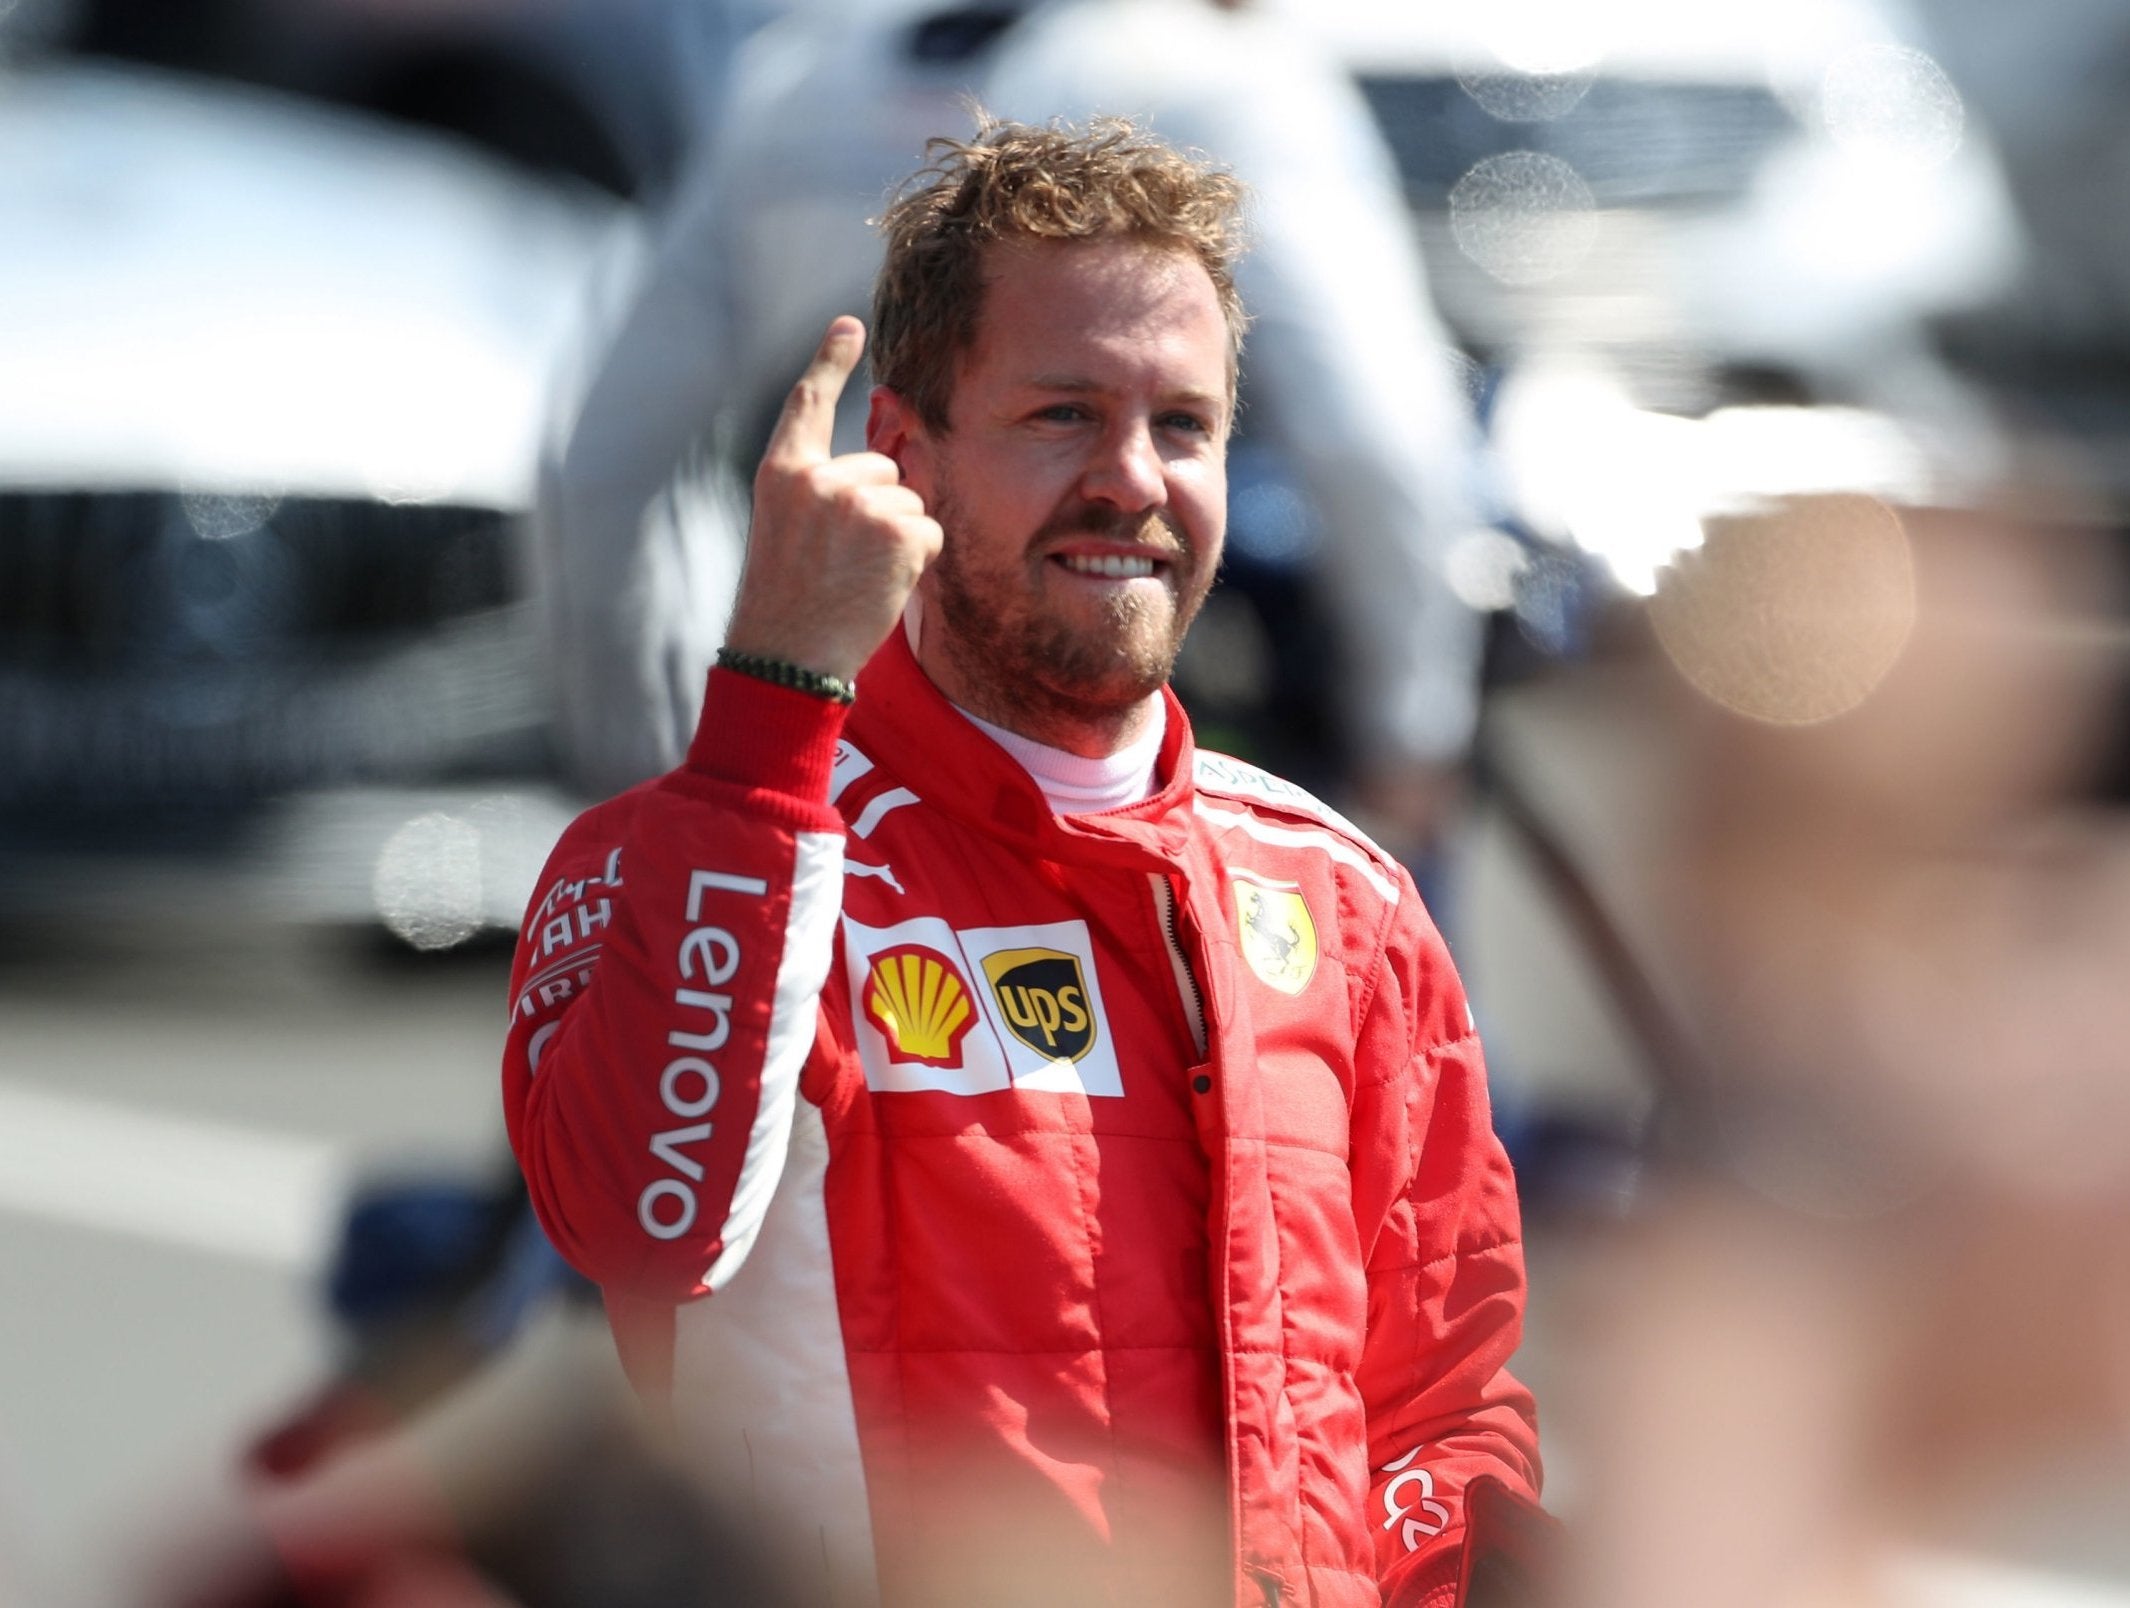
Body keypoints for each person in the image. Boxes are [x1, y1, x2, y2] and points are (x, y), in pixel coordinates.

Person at [504, 118, 1539, 1606]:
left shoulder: (1347, 904)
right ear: (902, 455)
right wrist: (776, 700)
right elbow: (635, 1229)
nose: (1132, 479)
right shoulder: (706, 855)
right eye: (1063, 414)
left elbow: (1446, 1409)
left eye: (1183, 425)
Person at [536, 0, 1485, 877]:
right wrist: (1410, 735)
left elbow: (601, 463)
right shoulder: (1217, 76)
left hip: (824, 734)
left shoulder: (799, 80)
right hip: (1100, 746)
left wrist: (648, 773)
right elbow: (1377, 439)